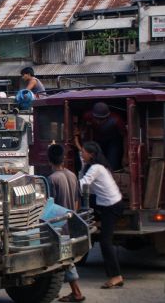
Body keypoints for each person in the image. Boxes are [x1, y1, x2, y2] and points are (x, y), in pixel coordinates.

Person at [79, 141, 124, 289]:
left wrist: (67, 180)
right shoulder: (93, 167)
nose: (82, 154)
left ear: (91, 154)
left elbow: (83, 184)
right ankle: (95, 223)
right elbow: (87, 188)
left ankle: (116, 276)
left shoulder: (97, 168)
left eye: (84, 152)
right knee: (85, 203)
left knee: (105, 242)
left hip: (111, 206)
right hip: (104, 204)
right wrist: (82, 165)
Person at [48, 144, 85, 302]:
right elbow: (77, 201)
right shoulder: (72, 175)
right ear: (63, 158)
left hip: (58, 224)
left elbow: (50, 206)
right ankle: (52, 291)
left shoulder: (52, 179)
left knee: (65, 259)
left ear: (49, 160)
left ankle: (77, 293)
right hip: (71, 220)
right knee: (59, 258)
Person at [75, 102, 127, 172]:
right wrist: (80, 132)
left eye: (102, 119)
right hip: (98, 140)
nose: (99, 122)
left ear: (107, 117)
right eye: (97, 119)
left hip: (113, 141)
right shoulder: (87, 116)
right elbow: (82, 128)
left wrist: (126, 155)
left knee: (112, 161)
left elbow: (125, 137)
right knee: (96, 160)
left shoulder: (117, 120)